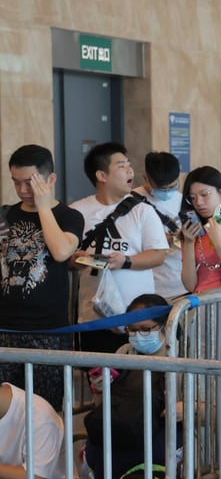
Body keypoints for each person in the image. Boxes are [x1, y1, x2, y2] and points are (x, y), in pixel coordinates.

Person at [0, 144, 84, 411]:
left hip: (49, 331)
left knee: (45, 411)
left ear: (50, 179)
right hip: (6, 329)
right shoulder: (5, 215)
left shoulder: (69, 216)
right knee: (6, 413)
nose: (23, 190)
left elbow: (61, 251)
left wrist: (43, 206)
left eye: (30, 182)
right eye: (16, 182)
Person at [71, 142, 169, 353]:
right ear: (102, 175)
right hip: (94, 317)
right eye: (122, 166)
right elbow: (65, 258)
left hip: (138, 321)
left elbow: (159, 255)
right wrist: (77, 260)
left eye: (129, 164)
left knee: (135, 373)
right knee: (97, 372)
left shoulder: (143, 210)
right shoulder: (76, 211)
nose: (130, 170)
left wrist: (126, 261)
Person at [83, 293, 172, 479]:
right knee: (101, 441)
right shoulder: (124, 352)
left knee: (149, 448)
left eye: (145, 329)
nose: (138, 335)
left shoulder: (181, 355)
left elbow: (206, 409)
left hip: (162, 430)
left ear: (165, 326)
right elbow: (102, 406)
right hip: (125, 425)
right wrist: (99, 389)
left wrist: (184, 407)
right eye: (132, 330)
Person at [133, 152, 187, 299]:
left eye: (173, 186)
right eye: (162, 189)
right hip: (149, 288)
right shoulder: (131, 202)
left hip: (182, 285)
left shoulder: (185, 201)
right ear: (146, 178)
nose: (168, 192)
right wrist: (158, 241)